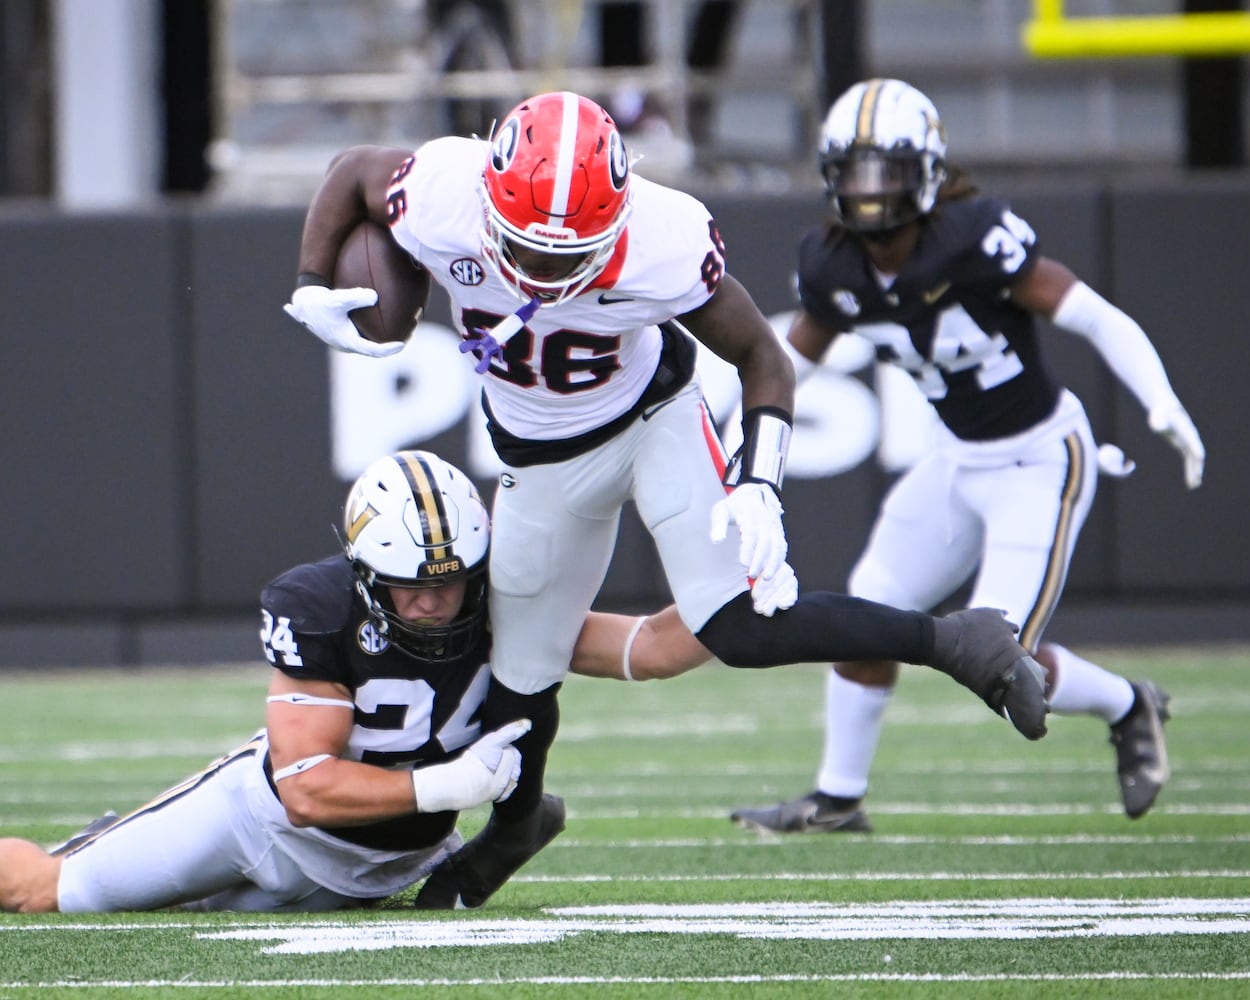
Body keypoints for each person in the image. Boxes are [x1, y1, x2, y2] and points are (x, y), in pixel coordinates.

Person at [280, 91, 1053, 910]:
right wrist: (307, 282)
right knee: (517, 671)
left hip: (655, 420)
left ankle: (957, 640)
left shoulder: (665, 238)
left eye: (569, 250)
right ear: (488, 201)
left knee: (739, 626)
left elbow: (765, 358)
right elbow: (348, 175)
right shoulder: (442, 188)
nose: (543, 270)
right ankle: (514, 827)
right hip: (538, 459)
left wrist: (761, 482)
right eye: (525, 249)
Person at [0, 451, 647, 914]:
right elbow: (304, 787)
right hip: (266, 820)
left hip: (384, 861)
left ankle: (114, 835)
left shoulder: (501, 601)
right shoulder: (319, 604)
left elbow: (652, 647)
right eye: (410, 585)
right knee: (52, 893)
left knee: (190, 919)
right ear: (365, 575)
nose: (437, 601)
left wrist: (737, 606)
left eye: (455, 580)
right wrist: (445, 786)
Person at [719, 78, 1203, 834]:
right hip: (953, 461)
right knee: (867, 611)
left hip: (1039, 458)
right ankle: (838, 799)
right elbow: (788, 360)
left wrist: (1160, 399)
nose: (871, 192)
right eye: (855, 172)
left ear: (930, 171)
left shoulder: (974, 236)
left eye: (888, 170)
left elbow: (1096, 318)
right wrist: (724, 408)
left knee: (1004, 659)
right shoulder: (831, 262)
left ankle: (1128, 702)